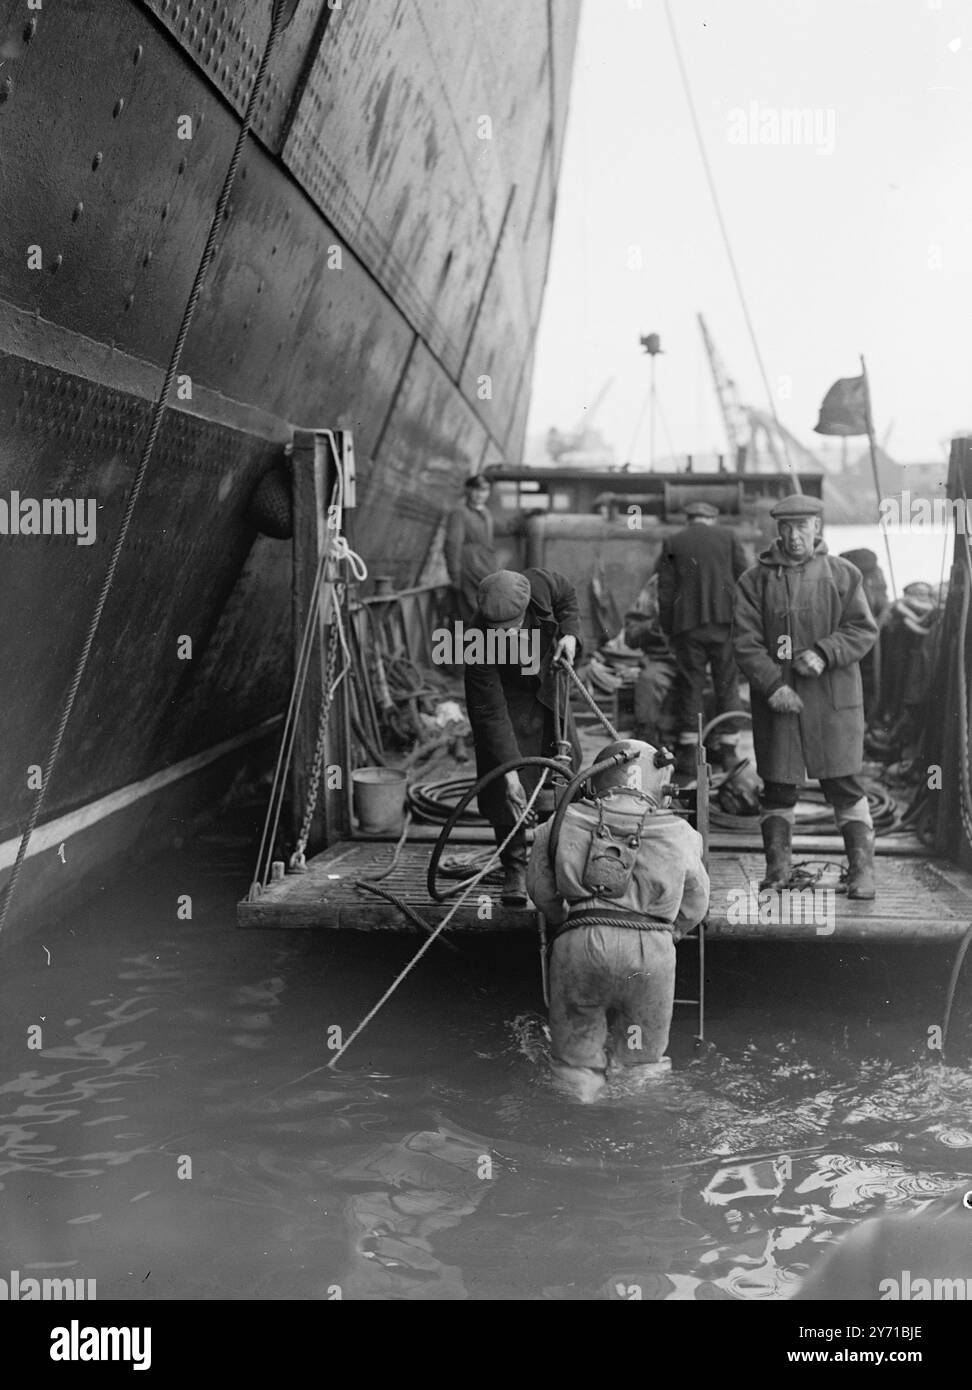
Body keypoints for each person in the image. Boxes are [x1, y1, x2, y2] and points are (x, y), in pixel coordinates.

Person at [526, 739, 710, 1102]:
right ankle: (635, 1136)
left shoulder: (559, 823)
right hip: (651, 958)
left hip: (580, 946)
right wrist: (672, 932)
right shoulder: (682, 834)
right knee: (641, 1066)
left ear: (595, 781)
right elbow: (696, 903)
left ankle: (576, 1126)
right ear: (662, 787)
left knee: (573, 1065)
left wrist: (565, 919)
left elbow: (540, 889)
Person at [733, 494, 879, 898]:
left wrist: (825, 652)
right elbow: (745, 643)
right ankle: (777, 870)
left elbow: (863, 629)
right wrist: (772, 685)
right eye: (786, 527)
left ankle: (862, 871)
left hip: (833, 701)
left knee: (844, 783)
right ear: (777, 530)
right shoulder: (754, 581)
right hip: (779, 703)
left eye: (803, 526)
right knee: (778, 786)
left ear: (818, 528)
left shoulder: (843, 574)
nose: (794, 536)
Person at [464, 569, 582, 905]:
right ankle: (515, 866)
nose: (505, 637)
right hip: (509, 699)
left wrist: (570, 635)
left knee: (564, 771)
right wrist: (511, 772)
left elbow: (568, 597)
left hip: (549, 684)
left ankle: (551, 862)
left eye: (512, 630)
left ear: (526, 608)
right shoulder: (475, 639)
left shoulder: (542, 584)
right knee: (504, 786)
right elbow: (489, 711)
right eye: (497, 633)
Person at [656, 500, 748, 776]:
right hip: (725, 623)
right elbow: (744, 578)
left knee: (690, 685)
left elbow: (665, 589)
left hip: (688, 626)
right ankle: (729, 751)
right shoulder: (729, 537)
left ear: (689, 519)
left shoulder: (673, 541)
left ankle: (689, 752)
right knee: (727, 685)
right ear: (712, 518)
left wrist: (670, 627)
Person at [840, 547, 889, 721]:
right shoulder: (852, 580)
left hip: (870, 640)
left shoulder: (872, 577)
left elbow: (882, 605)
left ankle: (870, 718)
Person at [444, 475, 498, 624]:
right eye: (476, 490)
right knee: (469, 613)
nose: (480, 494)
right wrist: (455, 575)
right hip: (468, 568)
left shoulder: (486, 513)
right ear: (468, 490)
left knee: (488, 612)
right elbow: (452, 544)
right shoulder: (459, 512)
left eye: (485, 490)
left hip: (486, 568)